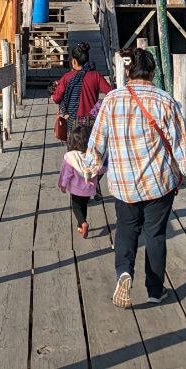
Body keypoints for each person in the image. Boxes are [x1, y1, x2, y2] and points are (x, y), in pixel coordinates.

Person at [81, 49, 186, 309]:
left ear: (128, 71)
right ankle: (155, 290)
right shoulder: (165, 100)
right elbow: (181, 145)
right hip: (158, 182)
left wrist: (90, 169)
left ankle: (124, 272)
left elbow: (97, 141)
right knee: (155, 234)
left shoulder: (112, 100)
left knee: (126, 229)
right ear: (153, 72)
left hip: (123, 182)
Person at [51, 43, 113, 237]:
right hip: (93, 125)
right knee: (98, 160)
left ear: (74, 60)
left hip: (74, 127)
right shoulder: (95, 76)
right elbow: (111, 93)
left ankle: (81, 201)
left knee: (76, 161)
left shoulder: (67, 77)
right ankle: (94, 184)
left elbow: (56, 98)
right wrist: (99, 105)